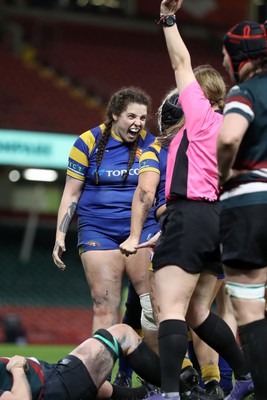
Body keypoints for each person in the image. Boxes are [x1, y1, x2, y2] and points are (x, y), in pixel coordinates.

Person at [136, 1, 254, 400]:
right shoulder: (242, 129)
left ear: (201, 96)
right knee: (198, 311)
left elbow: (180, 61)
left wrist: (169, 18)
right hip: (223, 222)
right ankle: (244, 377)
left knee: (170, 307)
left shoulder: (200, 116)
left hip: (190, 215)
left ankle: (169, 394)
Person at [120, 89, 227, 400]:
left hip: (176, 229)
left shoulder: (157, 147)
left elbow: (146, 193)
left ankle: (178, 382)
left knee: (162, 311)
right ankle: (217, 382)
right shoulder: (210, 141)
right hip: (218, 227)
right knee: (203, 313)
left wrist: (135, 236)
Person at [52, 87, 159, 337]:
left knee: (152, 306)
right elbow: (71, 192)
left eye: (142, 118)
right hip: (98, 230)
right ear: (114, 115)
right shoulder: (87, 141)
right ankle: (101, 377)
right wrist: (60, 235)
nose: (138, 123)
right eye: (131, 116)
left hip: (143, 229)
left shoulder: (151, 143)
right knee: (103, 307)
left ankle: (156, 374)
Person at [217, 19, 267, 400]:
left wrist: (224, 174)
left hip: (249, 204)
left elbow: (230, 136)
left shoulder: (244, 91)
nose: (222, 61)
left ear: (239, 58)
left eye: (225, 55)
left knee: (249, 309)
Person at [0, 323, 163, 400]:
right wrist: (17, 368)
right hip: (54, 387)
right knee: (122, 335)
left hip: (51, 381)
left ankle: (143, 396)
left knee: (101, 387)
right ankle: (182, 391)